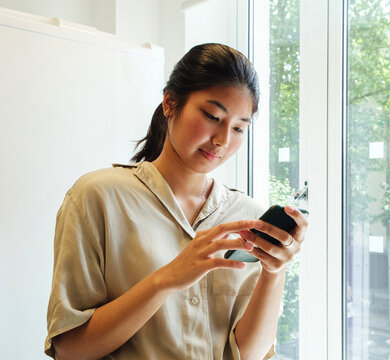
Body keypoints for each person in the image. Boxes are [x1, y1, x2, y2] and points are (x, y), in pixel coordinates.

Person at [45, 43, 308, 360]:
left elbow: (249, 354)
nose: (223, 140)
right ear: (170, 103)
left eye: (239, 128)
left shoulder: (248, 216)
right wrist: (167, 279)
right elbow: (70, 350)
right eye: (212, 116)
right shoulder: (96, 197)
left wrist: (274, 271)